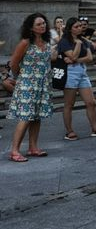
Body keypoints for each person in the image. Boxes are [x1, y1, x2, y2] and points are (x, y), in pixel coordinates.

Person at [7, 13, 56, 162]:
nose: (43, 26)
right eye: (39, 24)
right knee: (26, 117)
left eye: (44, 23)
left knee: (37, 116)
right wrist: (23, 77)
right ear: (31, 28)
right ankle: (14, 150)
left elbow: (49, 60)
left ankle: (33, 147)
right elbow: (13, 63)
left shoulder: (47, 42)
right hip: (27, 85)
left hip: (42, 84)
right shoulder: (25, 43)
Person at [59, 17, 96, 140]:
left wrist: (76, 59)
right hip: (70, 73)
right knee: (69, 104)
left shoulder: (83, 39)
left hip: (81, 71)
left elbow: (89, 57)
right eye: (76, 27)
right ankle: (69, 131)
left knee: (91, 102)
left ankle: (95, 128)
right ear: (70, 29)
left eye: (80, 26)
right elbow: (72, 55)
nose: (79, 28)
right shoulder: (65, 41)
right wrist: (77, 45)